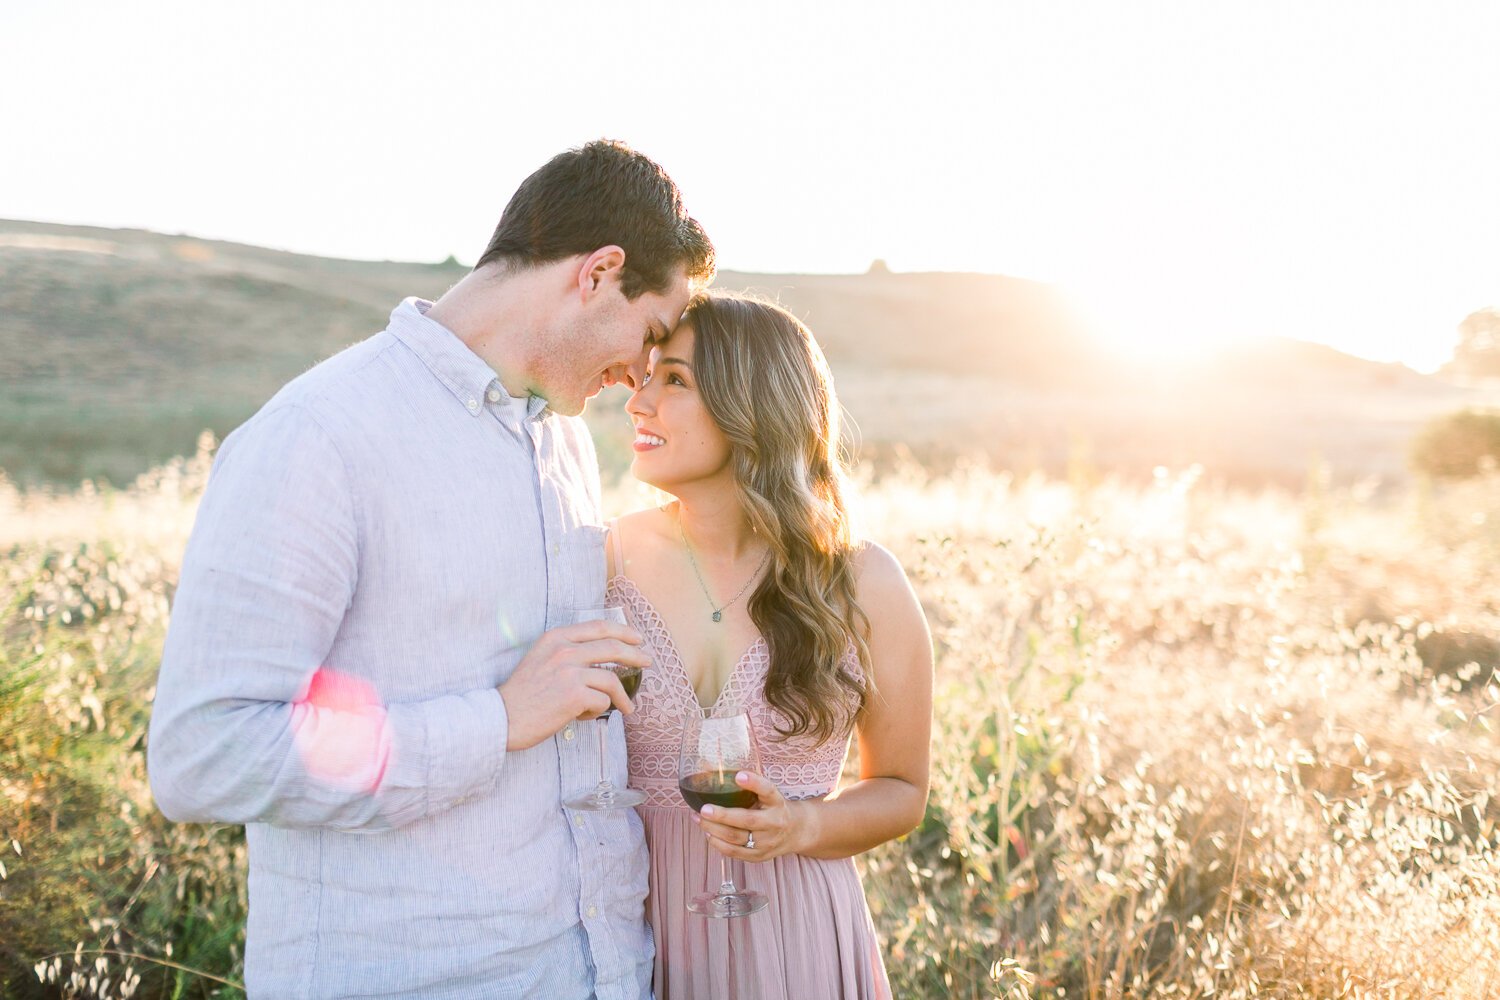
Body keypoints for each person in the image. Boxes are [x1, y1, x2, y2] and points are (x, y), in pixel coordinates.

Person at [147, 140, 715, 999]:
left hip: (595, 971)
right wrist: (495, 720)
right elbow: (203, 753)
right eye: (650, 333)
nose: (641, 372)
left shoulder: (558, 436)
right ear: (598, 273)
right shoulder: (319, 438)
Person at [607, 293, 934, 998]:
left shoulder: (862, 582)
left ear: (750, 405)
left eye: (675, 380)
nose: (639, 400)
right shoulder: (609, 561)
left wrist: (802, 825)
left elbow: (903, 791)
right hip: (636, 936)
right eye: (645, 375)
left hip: (797, 938)